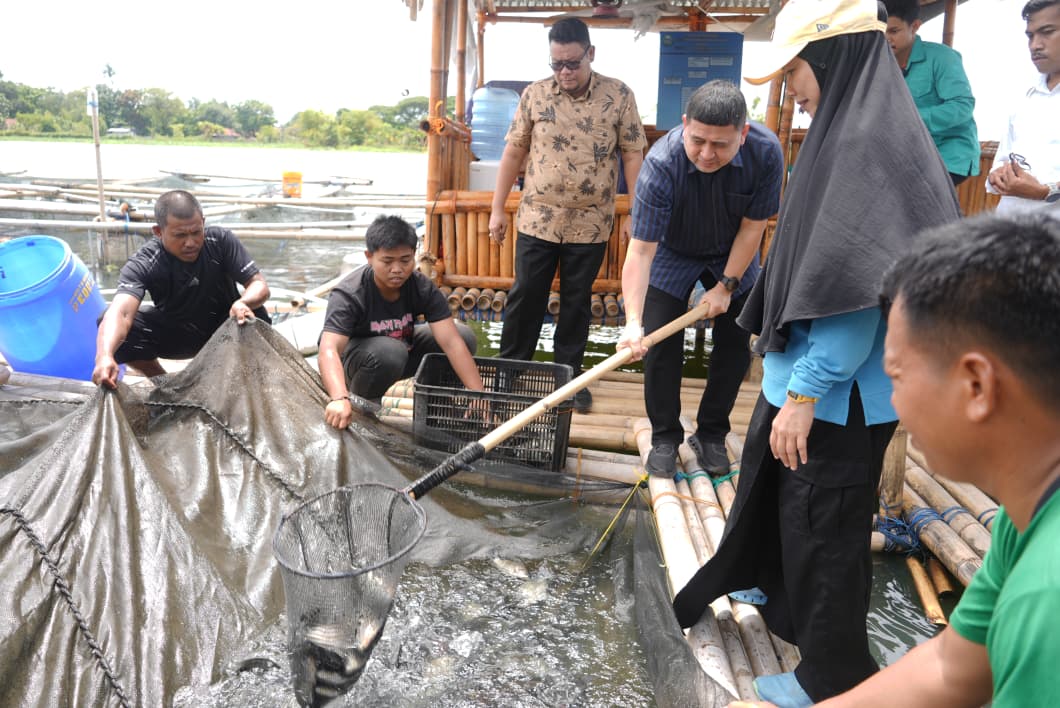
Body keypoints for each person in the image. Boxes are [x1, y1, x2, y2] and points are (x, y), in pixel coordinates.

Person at [669, 0, 961, 704]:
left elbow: (855, 295)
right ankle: (765, 590)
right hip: (805, 379)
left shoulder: (865, 147)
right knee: (772, 489)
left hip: (840, 391)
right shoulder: (849, 128)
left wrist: (804, 397)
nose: (791, 89)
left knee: (825, 525)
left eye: (796, 70)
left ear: (830, 60)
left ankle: (831, 670)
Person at [730, 212, 1060, 708]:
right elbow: (952, 668)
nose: (895, 405)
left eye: (897, 375)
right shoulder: (1027, 514)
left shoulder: (1047, 599)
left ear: (976, 386)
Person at [618, 80, 783, 478]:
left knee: (735, 342)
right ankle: (664, 436)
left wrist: (726, 285)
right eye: (698, 141)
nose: (706, 154)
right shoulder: (660, 164)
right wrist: (633, 322)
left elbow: (753, 227)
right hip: (674, 251)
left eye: (720, 145)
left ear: (743, 134)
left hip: (734, 252)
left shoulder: (766, 153)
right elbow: (640, 251)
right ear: (685, 124)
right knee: (659, 340)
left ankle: (711, 433)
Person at [487, 16, 646, 413]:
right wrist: (496, 210)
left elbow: (632, 155)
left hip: (591, 223)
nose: (564, 72)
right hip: (537, 218)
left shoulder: (619, 95)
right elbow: (513, 152)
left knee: (577, 302)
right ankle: (509, 372)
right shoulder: (535, 95)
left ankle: (569, 377)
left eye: (572, 63)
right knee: (526, 296)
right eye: (556, 64)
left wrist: (635, 213)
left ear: (590, 54)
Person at [92, 189, 271, 388]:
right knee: (109, 322)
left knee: (256, 313)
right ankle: (168, 386)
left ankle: (248, 383)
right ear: (158, 232)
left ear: (203, 222)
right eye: (180, 235)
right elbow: (122, 312)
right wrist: (104, 356)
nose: (190, 242)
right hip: (179, 334)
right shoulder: (145, 262)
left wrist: (243, 302)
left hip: (227, 327)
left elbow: (259, 284)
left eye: (196, 232)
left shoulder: (220, 241)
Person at [318, 215, 483, 429]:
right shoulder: (350, 292)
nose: (397, 269)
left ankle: (436, 406)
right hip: (356, 366)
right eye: (387, 261)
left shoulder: (421, 287)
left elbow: (452, 342)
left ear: (414, 256)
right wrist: (339, 397)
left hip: (402, 353)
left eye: (405, 261)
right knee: (390, 351)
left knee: (463, 336)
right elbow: (329, 348)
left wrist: (478, 394)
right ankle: (363, 410)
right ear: (369, 257)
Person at [882, 0, 980, 186]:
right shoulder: (880, 65)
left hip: (950, 153)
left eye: (893, 31)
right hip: (910, 154)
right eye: (881, 32)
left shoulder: (943, 58)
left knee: (916, 200)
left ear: (915, 26)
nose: (886, 38)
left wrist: (911, 120)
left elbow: (963, 105)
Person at [986, 0, 1060, 214]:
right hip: (1009, 233)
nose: (1035, 44)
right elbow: (1003, 159)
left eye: (1047, 32)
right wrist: (998, 175)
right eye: (1030, 35)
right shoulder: (1023, 95)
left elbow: (1043, 190)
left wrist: (1045, 191)